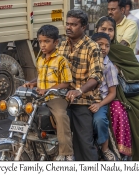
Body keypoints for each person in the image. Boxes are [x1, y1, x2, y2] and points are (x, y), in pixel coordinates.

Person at [95, 16, 139, 161]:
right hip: (101, 94)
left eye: (111, 30)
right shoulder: (89, 49)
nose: (108, 33)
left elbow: (138, 72)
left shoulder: (123, 51)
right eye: (103, 29)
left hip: (126, 94)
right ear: (96, 30)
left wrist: (119, 70)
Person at [23, 25, 74, 161]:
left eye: (46, 41)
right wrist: (32, 83)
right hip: (41, 97)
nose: (43, 45)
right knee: (23, 111)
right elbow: (40, 77)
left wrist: (48, 90)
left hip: (57, 97)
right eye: (40, 41)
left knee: (60, 115)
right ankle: (26, 146)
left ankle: (66, 153)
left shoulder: (61, 60)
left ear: (56, 42)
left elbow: (66, 83)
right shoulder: (40, 60)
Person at [58, 9, 103, 161]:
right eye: (67, 24)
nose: (68, 27)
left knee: (84, 142)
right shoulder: (61, 45)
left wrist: (79, 90)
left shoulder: (92, 47)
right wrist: (32, 83)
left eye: (74, 25)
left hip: (84, 99)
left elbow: (96, 76)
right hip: (62, 97)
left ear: (84, 27)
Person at [90, 32, 118, 161]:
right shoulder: (87, 62)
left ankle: (105, 149)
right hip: (85, 100)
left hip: (100, 101)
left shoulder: (109, 67)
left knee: (100, 120)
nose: (104, 48)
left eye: (107, 46)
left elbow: (112, 93)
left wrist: (99, 104)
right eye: (100, 44)